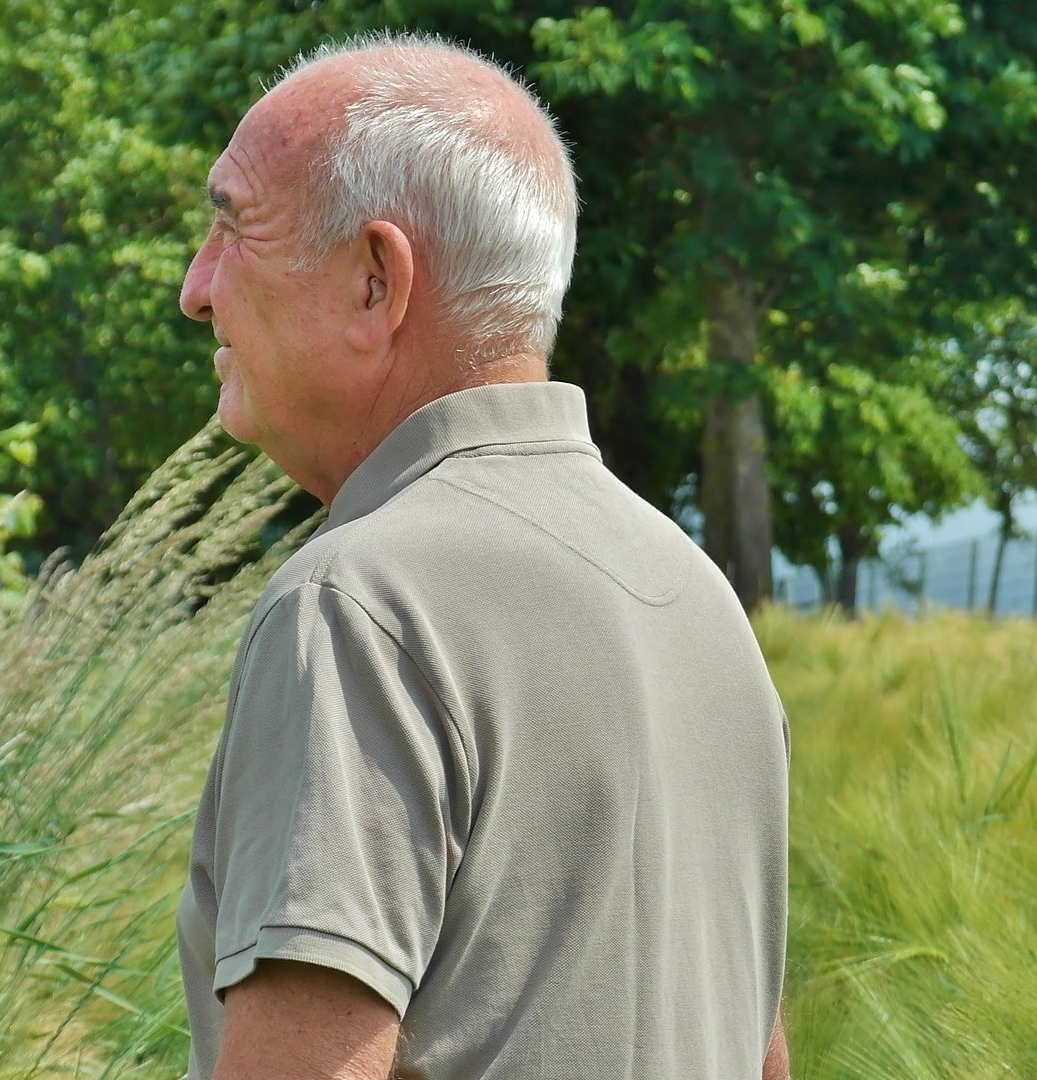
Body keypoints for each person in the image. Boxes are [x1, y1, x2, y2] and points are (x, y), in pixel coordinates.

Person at [174, 31, 791, 1080]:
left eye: (233, 228)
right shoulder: (700, 600)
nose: (197, 288)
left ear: (376, 282)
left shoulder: (357, 605)